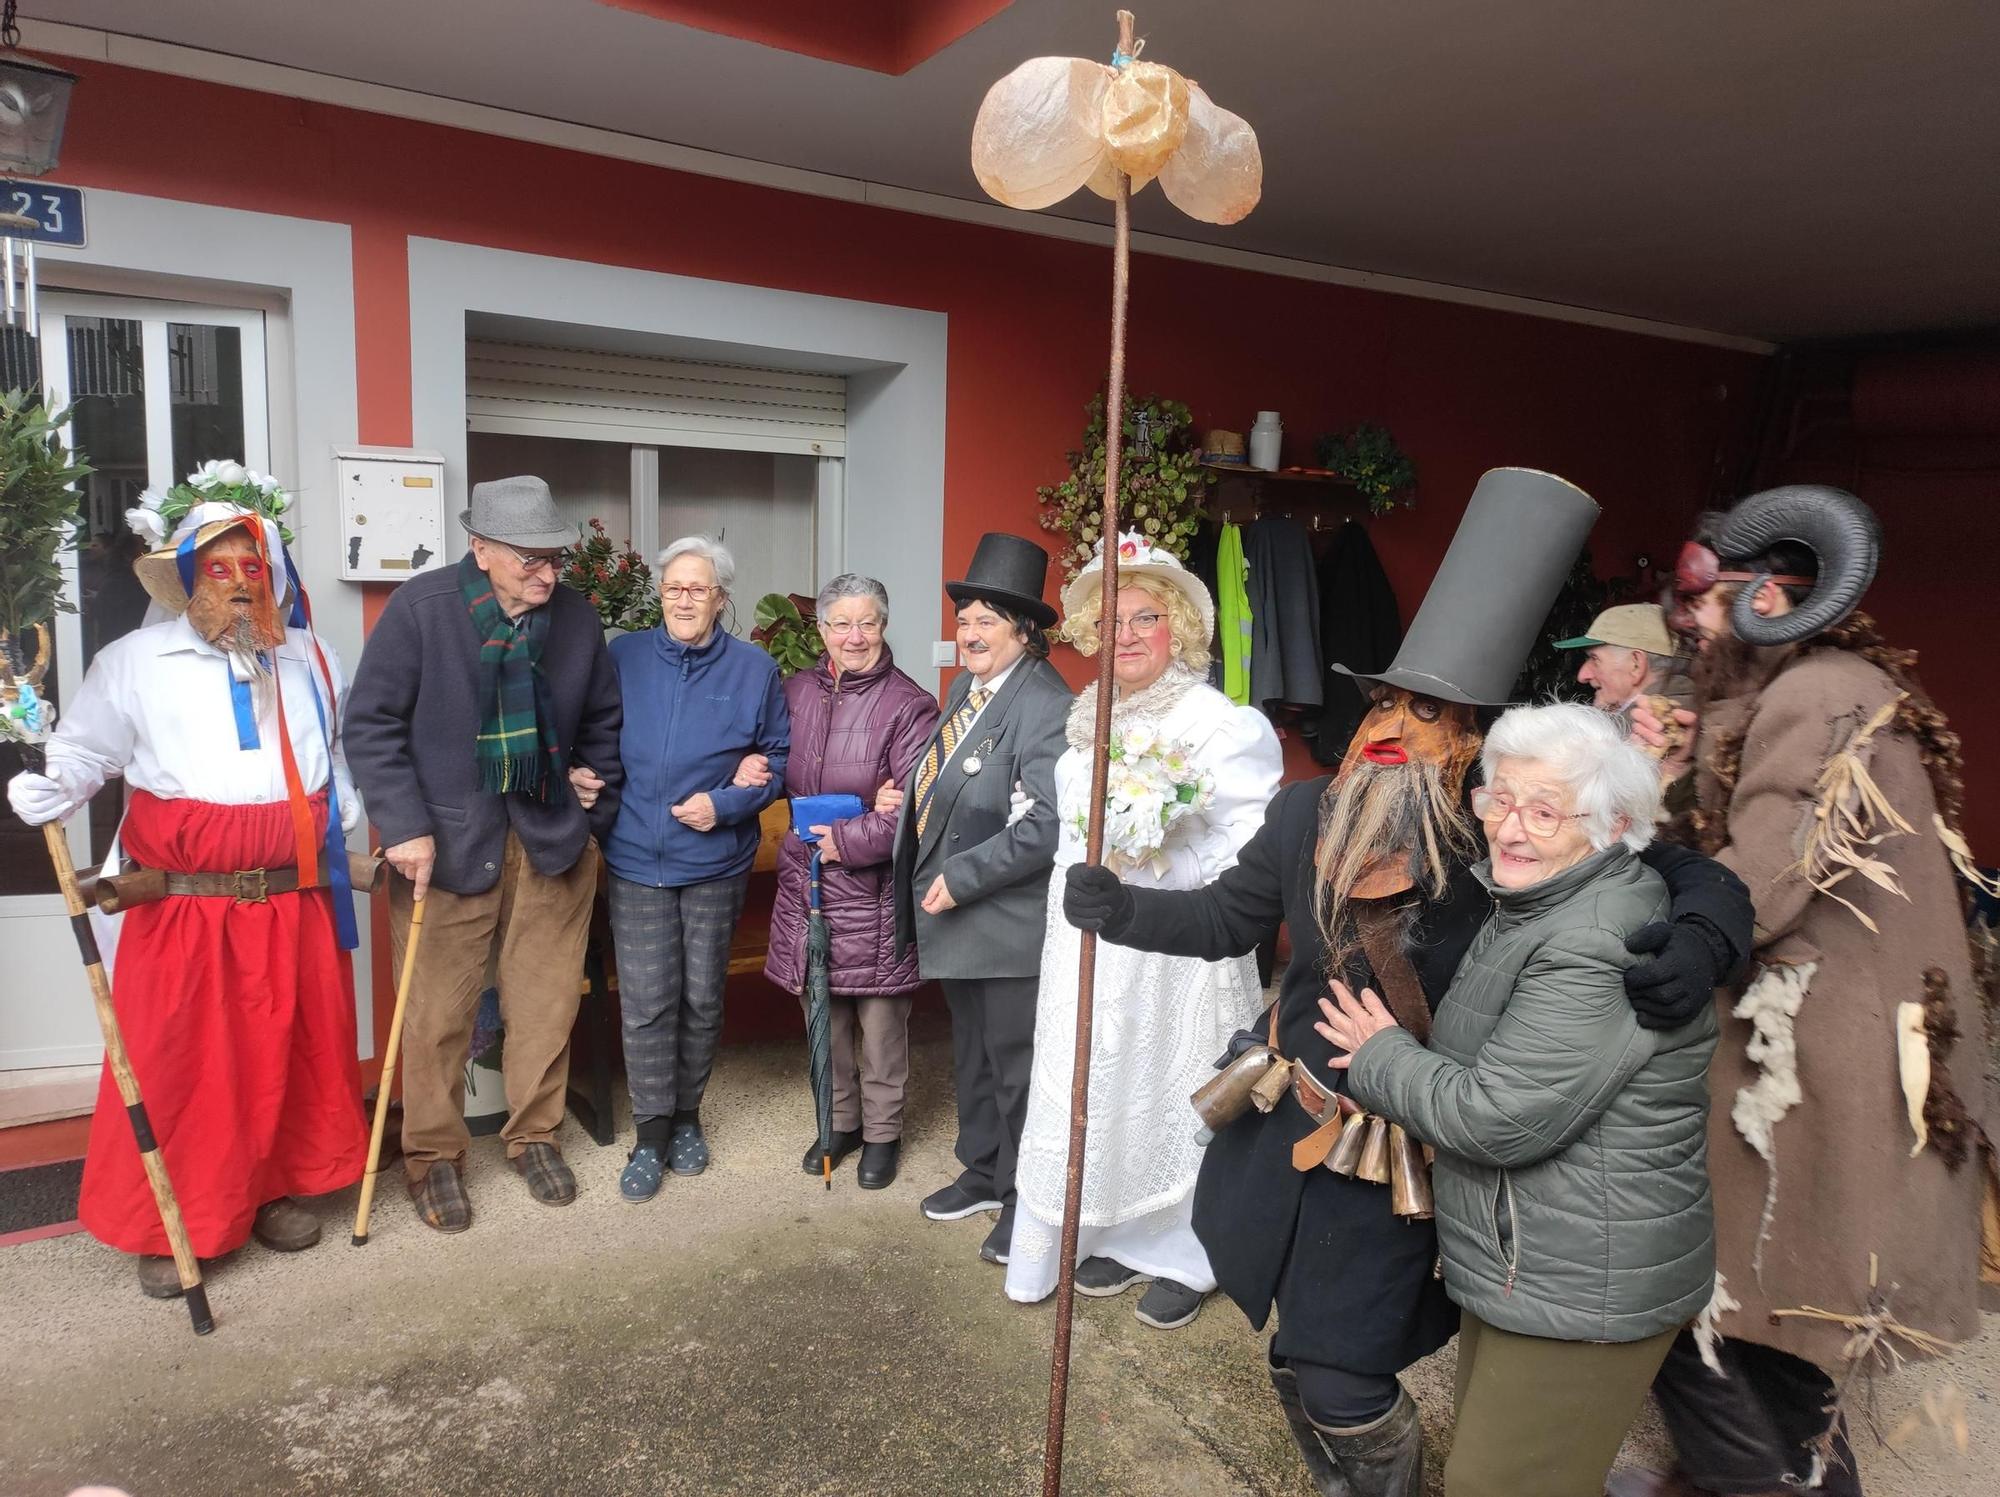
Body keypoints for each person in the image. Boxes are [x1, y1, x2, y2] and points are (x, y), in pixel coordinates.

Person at [1062, 469, 1754, 1497]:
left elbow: (1662, 865)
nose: (1389, 723)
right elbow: (1227, 919)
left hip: (1397, 1159)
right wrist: (1121, 910)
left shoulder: (1509, 838)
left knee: (1342, 1373)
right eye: (1383, 697)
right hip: (1284, 1126)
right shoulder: (1304, 814)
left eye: (1424, 709)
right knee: (1293, 1356)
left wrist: (1707, 926)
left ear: (1470, 740)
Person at [1609, 486, 1994, 1497]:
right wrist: (1678, 763)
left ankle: (1761, 1484)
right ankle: (1789, 1478)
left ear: (1767, 599)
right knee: (1773, 1307)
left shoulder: (1816, 694)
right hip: (1809, 1046)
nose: (1682, 622)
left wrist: (1658, 906)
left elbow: (1760, 883)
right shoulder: (1805, 690)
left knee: (1683, 1293)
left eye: (1699, 599)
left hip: (1818, 1061)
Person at [1320, 702, 1718, 1497]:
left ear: (1612, 827)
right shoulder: (1542, 898)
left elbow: (1496, 1117)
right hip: (1540, 1256)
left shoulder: (1594, 937)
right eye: (1498, 798)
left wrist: (1380, 1054)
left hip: (1582, 1278)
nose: (1509, 827)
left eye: (1543, 810)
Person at [8, 498, 367, 1297]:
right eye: (220, 569)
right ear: (183, 579)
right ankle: (177, 1220)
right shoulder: (132, 661)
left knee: (284, 1054)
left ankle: (268, 1192)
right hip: (184, 909)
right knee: (184, 1067)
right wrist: (53, 785)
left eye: (253, 569)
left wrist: (342, 802)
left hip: (292, 900)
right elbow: (82, 752)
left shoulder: (312, 656)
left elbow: (332, 751)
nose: (240, 587)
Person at [1006, 534, 1281, 1330]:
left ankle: (1190, 1252)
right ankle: (1119, 1229)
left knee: (1174, 1086)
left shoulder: (1218, 724)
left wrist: (1160, 841)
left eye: (1147, 617)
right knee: (1098, 1083)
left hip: (1178, 950)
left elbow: (1247, 851)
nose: (1126, 635)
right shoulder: (1088, 716)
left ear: (1182, 629)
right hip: (1091, 941)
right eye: (1113, 619)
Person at [345, 475, 623, 1232]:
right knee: (436, 1012)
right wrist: (399, 825)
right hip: (443, 841)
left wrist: (597, 793)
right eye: (528, 558)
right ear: (480, 548)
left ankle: (534, 1135)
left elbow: (602, 719)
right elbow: (370, 723)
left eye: (553, 558)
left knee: (544, 1005)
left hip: (551, 840)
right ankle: (432, 1157)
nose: (546, 572)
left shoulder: (576, 620)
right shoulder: (424, 610)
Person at [894, 532, 1072, 1267]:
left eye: (985, 620)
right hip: (959, 922)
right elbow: (960, 776)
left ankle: (1025, 1198)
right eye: (964, 616)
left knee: (1016, 1066)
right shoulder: (972, 688)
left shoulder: (1046, 704)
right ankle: (984, 1169)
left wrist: (962, 876)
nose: (968, 631)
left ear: (1025, 633)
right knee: (972, 1056)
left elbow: (1048, 823)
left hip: (1005, 922)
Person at [603, 536, 789, 1198]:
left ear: (721, 597)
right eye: (674, 587)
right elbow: (595, 736)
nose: (685, 599)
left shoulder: (754, 669)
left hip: (714, 860)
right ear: (661, 594)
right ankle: (650, 1134)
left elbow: (778, 758)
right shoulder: (622, 657)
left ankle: (688, 1117)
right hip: (635, 858)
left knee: (702, 997)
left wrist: (729, 800)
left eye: (699, 588)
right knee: (648, 1003)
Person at [754, 573, 937, 1190]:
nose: (854, 636)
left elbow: (916, 813)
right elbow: (777, 768)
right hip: (808, 888)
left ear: (884, 627)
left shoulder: (909, 705)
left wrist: (849, 839)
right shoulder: (795, 692)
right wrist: (748, 763)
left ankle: (883, 1135)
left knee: (881, 1028)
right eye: (841, 623)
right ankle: (840, 1125)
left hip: (876, 896)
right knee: (823, 1017)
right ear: (822, 629)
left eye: (868, 623)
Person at [1555, 602, 1687, 714]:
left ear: (1636, 665)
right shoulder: (1688, 712)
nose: (1582, 676)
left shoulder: (1637, 735)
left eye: (1595, 659)